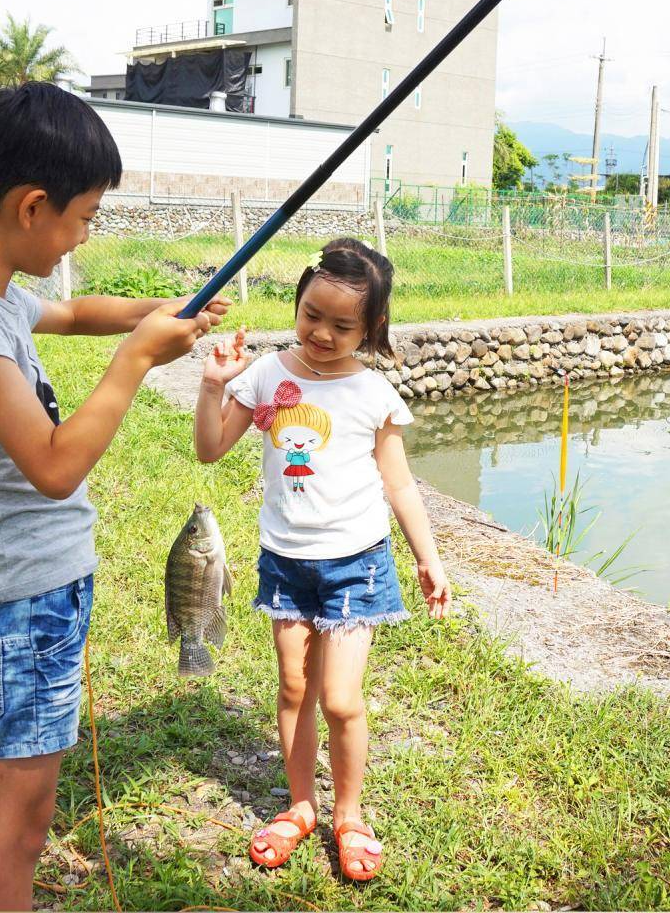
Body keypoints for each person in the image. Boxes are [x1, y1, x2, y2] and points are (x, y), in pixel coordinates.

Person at [0, 81, 226, 910]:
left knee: (27, 811)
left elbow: (79, 311)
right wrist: (137, 361)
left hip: (36, 600)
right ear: (32, 206)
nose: (84, 234)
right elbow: (51, 466)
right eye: (83, 217)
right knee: (13, 823)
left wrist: (162, 311)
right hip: (14, 610)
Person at [194, 237, 452, 883]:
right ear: (299, 300)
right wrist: (212, 386)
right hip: (286, 562)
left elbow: (398, 484)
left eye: (343, 325)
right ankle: (302, 804)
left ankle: (351, 812)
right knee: (292, 687)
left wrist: (428, 558)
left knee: (340, 698)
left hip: (356, 565)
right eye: (312, 314)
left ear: (372, 328)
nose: (322, 333)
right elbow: (208, 448)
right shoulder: (267, 375)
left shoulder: (372, 393)